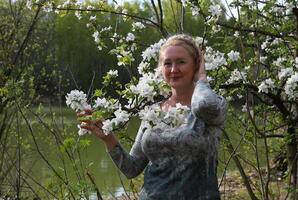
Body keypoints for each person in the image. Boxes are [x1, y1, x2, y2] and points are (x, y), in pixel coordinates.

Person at [79, 34, 227, 200]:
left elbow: (204, 105)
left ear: (197, 65)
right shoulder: (153, 111)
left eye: (181, 62)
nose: (173, 69)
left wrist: (201, 78)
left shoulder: (213, 107)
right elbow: (132, 168)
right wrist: (108, 139)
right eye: (167, 63)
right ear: (160, 68)